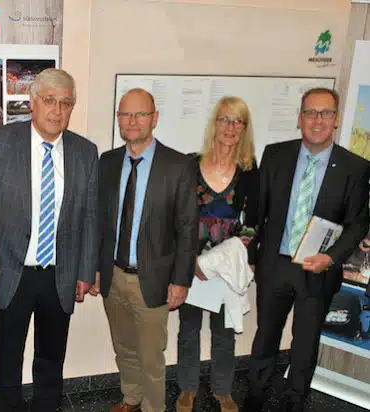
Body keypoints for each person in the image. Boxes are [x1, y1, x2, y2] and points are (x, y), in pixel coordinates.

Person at [0, 68, 98, 412]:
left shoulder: (85, 152)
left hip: (60, 273)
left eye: (66, 103)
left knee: (51, 356)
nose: (57, 110)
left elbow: (90, 216)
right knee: (8, 357)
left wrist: (86, 271)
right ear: (32, 102)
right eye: (49, 101)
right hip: (10, 271)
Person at [245, 88, 370, 412]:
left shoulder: (355, 167)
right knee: (265, 336)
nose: (318, 120)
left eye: (326, 113)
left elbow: (358, 223)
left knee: (305, 342)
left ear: (337, 119)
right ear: (300, 118)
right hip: (276, 264)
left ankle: (293, 402)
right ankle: (256, 397)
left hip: (320, 268)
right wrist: (253, 255)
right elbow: (258, 211)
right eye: (311, 112)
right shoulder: (275, 155)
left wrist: (331, 257)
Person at [94, 88, 198, 412]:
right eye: (126, 114)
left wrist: (181, 280)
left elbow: (187, 228)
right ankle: (131, 397)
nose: (132, 121)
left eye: (140, 114)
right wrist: (96, 269)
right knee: (123, 348)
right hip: (114, 276)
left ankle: (154, 408)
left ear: (154, 118)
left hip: (152, 280)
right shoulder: (108, 162)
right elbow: (101, 222)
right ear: (119, 121)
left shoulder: (178, 165)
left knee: (152, 356)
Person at [175, 96, 259, 412]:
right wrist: (190, 261)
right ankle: (187, 389)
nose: (230, 127)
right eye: (225, 119)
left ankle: (222, 389)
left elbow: (254, 223)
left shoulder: (250, 171)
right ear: (215, 123)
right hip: (191, 265)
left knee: (224, 333)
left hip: (226, 266)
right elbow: (177, 217)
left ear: (244, 129)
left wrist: (224, 259)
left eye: (238, 121)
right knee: (189, 330)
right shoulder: (189, 164)